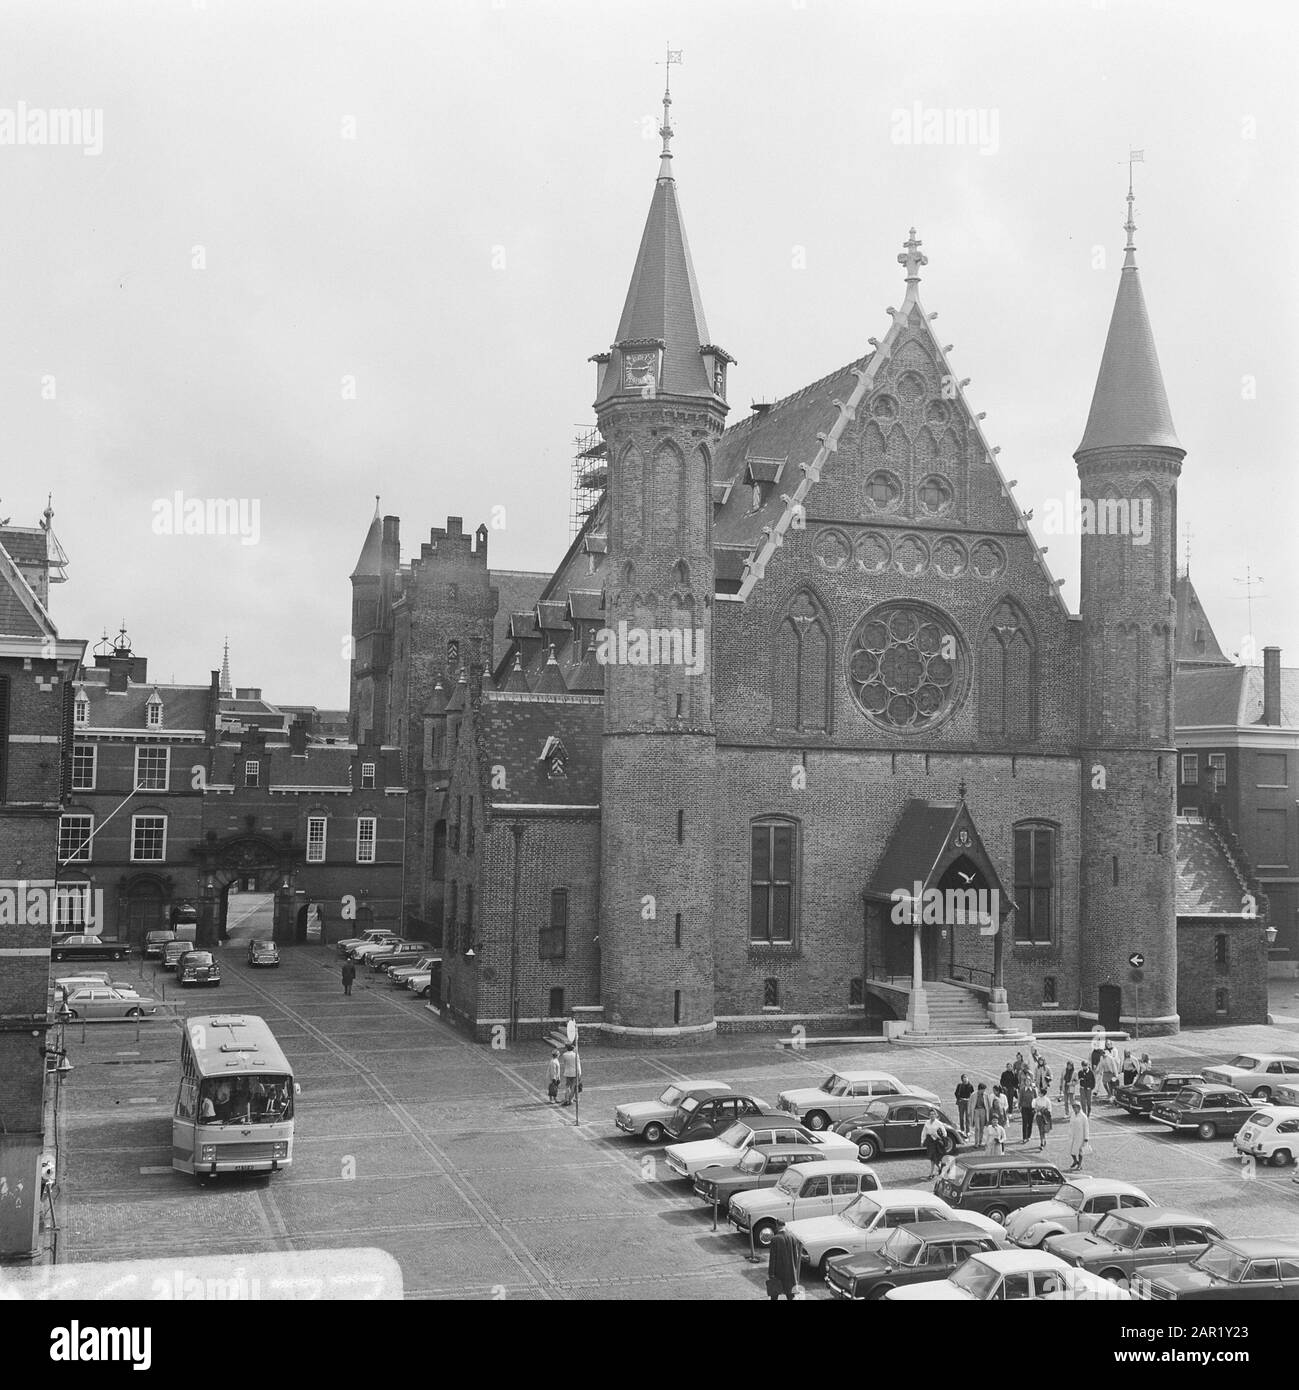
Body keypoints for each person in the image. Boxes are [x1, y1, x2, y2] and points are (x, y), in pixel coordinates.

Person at [767, 1227, 800, 1300]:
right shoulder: (792, 1237)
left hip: (777, 1272)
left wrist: (771, 1273)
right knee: (790, 1295)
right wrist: (794, 1269)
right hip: (790, 1272)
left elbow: (772, 1258)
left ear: (777, 1225)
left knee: (774, 1295)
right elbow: (796, 1256)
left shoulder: (774, 1239)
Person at [921, 1108, 947, 1179]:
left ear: (935, 1115)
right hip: (930, 1142)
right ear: (929, 1115)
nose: (932, 1116)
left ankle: (936, 1171)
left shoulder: (939, 1123)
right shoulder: (927, 1122)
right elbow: (924, 1132)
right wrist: (922, 1141)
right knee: (932, 1158)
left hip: (937, 1143)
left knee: (936, 1158)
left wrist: (938, 1136)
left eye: (933, 1114)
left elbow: (944, 1133)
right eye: (931, 1114)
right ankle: (934, 1172)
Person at [1067, 1100, 1091, 1171]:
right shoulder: (1073, 1114)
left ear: (1079, 1107)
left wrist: (1086, 1138)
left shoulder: (1083, 1117)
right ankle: (1075, 1161)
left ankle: (1079, 1165)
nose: (1074, 1109)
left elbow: (1086, 1128)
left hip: (1081, 1136)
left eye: (1075, 1107)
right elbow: (1070, 1124)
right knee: (1071, 1151)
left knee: (1080, 1151)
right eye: (1073, 1107)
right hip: (1073, 1135)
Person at [1033, 1087, 1053, 1151]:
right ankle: (1043, 1140)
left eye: (1039, 1092)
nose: (1038, 1093)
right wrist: (1037, 1109)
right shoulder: (1037, 1099)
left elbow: (1049, 1109)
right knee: (1040, 1130)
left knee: (1042, 1130)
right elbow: (1034, 1107)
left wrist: (1043, 1110)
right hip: (1038, 1116)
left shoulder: (1047, 1100)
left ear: (1043, 1093)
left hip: (1044, 1117)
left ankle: (1042, 1142)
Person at [970, 1083, 989, 1147]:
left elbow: (987, 1105)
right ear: (980, 1089)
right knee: (977, 1128)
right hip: (976, 1111)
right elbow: (970, 1104)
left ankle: (980, 1142)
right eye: (983, 1089)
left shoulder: (985, 1095)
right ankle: (976, 1143)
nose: (984, 1091)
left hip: (983, 1111)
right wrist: (970, 1113)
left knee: (982, 1128)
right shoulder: (973, 1095)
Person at [1019, 1081, 1036, 1145]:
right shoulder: (1022, 1090)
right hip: (1024, 1108)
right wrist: (1020, 1106)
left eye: (1029, 1081)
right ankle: (1024, 1137)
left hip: (1031, 1108)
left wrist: (1035, 1108)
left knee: (1030, 1123)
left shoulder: (1033, 1090)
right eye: (1027, 1081)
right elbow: (1020, 1098)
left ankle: (1029, 1136)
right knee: (1024, 1123)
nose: (1028, 1082)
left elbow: (1035, 1099)